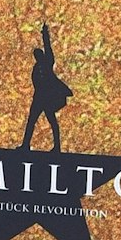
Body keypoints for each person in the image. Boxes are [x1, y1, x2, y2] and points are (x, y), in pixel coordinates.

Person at [20, 23, 73, 152]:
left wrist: (45, 33)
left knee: (52, 122)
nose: (38, 56)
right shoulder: (36, 69)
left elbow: (48, 47)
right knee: (31, 121)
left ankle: (57, 147)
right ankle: (25, 145)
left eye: (39, 54)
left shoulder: (48, 62)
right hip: (39, 97)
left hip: (48, 97)